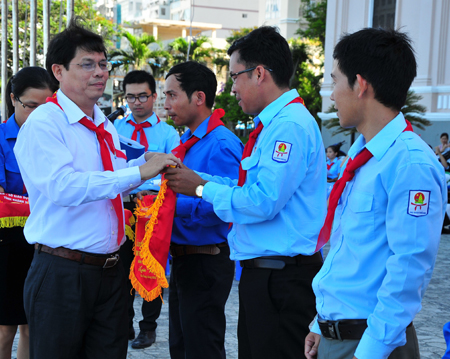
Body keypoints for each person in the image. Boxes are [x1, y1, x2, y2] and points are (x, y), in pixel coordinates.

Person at [13, 19, 179, 359]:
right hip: (62, 273)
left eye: (103, 64)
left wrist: (151, 167)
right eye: (87, 64)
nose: (99, 72)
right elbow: (64, 187)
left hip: (110, 271)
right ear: (58, 71)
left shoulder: (102, 124)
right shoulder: (44, 123)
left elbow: (119, 172)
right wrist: (138, 170)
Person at [164, 26, 326, 359]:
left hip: (282, 277)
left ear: (260, 73)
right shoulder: (273, 125)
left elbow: (261, 201)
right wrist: (198, 181)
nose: (231, 87)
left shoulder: (289, 126)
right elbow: (246, 188)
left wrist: (201, 187)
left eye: (235, 76)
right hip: (266, 274)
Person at [304, 28, 446, 359]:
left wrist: (369, 351)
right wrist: (320, 324)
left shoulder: (410, 163)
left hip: (371, 344)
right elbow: (349, 251)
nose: (332, 94)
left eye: (335, 81)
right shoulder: (362, 154)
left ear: (361, 84)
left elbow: (409, 269)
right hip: (337, 337)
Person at [161, 61, 243, 359]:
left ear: (198, 97)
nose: (166, 103)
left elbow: (227, 204)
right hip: (186, 258)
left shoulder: (220, 143)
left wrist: (170, 207)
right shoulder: (189, 140)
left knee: (201, 349)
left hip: (206, 260)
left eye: (172, 95)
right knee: (182, 348)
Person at [114, 70, 180, 349]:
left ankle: (148, 326)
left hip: (153, 208)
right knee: (120, 267)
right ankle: (124, 320)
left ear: (154, 96)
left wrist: (145, 179)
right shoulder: (115, 128)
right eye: (131, 96)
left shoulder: (168, 132)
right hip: (123, 207)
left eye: (143, 96)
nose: (136, 102)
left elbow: (175, 168)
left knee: (150, 265)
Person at [0, 67, 57, 359]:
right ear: (13, 99)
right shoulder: (0, 138)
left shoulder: (57, 139)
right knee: (5, 327)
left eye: (46, 107)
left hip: (46, 243)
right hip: (8, 244)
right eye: (31, 106)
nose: (38, 115)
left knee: (32, 326)